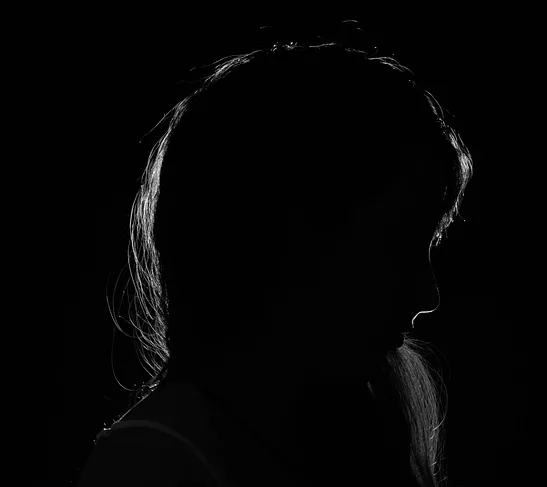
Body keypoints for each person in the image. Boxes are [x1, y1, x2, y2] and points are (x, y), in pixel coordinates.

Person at [77, 27, 473, 487]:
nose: (427, 294)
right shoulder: (153, 465)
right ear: (284, 241)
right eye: (394, 244)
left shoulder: (340, 445)